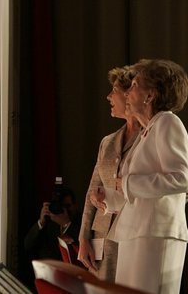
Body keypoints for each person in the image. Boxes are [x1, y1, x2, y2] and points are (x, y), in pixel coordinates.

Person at [95, 59, 188, 294]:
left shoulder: (168, 122)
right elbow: (139, 193)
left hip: (156, 234)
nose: (128, 92)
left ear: (150, 95)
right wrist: (110, 198)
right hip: (138, 233)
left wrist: (127, 184)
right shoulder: (147, 131)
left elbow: (181, 179)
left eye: (135, 85)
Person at [77, 66, 140, 281]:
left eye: (114, 90)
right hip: (101, 241)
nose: (108, 96)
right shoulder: (108, 142)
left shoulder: (150, 138)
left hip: (133, 239)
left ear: (129, 94)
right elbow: (91, 192)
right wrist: (84, 237)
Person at [24, 187, 80, 263]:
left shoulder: (82, 223)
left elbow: (78, 249)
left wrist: (66, 223)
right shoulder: (48, 223)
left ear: (75, 205)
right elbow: (28, 245)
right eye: (60, 206)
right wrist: (41, 223)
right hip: (48, 271)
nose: (64, 210)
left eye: (67, 206)